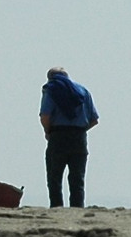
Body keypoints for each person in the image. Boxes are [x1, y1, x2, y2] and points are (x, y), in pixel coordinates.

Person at [39, 67, 99, 207]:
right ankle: (77, 208)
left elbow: (45, 115)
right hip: (79, 137)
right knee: (77, 178)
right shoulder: (83, 91)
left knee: (54, 177)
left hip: (58, 135)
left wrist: (47, 131)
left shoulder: (51, 89)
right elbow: (94, 119)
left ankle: (56, 207)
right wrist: (80, 130)